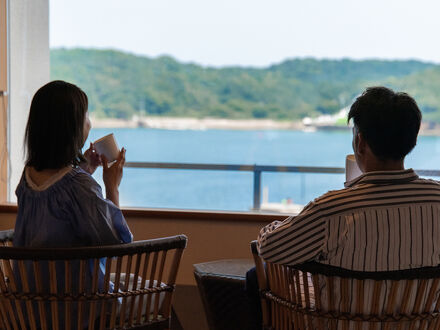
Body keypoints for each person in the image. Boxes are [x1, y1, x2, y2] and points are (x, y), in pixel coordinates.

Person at [249, 86, 440, 328]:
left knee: (255, 276)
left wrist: (274, 227)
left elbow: (270, 249)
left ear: (360, 142)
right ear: (411, 141)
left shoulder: (331, 210)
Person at [13, 80, 133, 327]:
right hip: (77, 306)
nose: (90, 121)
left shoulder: (27, 178)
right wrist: (112, 187)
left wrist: (84, 170)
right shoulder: (79, 185)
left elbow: (57, 201)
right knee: (153, 293)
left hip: (30, 305)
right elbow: (115, 244)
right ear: (73, 126)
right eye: (87, 114)